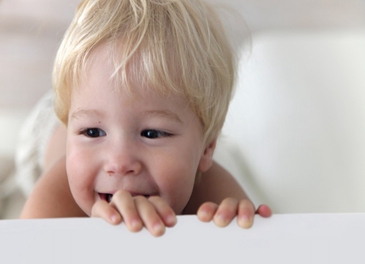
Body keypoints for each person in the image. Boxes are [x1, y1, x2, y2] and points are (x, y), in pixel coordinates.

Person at [19, 0, 271, 236]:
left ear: (208, 148)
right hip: (46, 130)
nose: (119, 162)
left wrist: (239, 229)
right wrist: (98, 238)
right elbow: (21, 250)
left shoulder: (211, 194)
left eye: (151, 133)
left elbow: (260, 249)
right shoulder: (55, 200)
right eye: (93, 133)